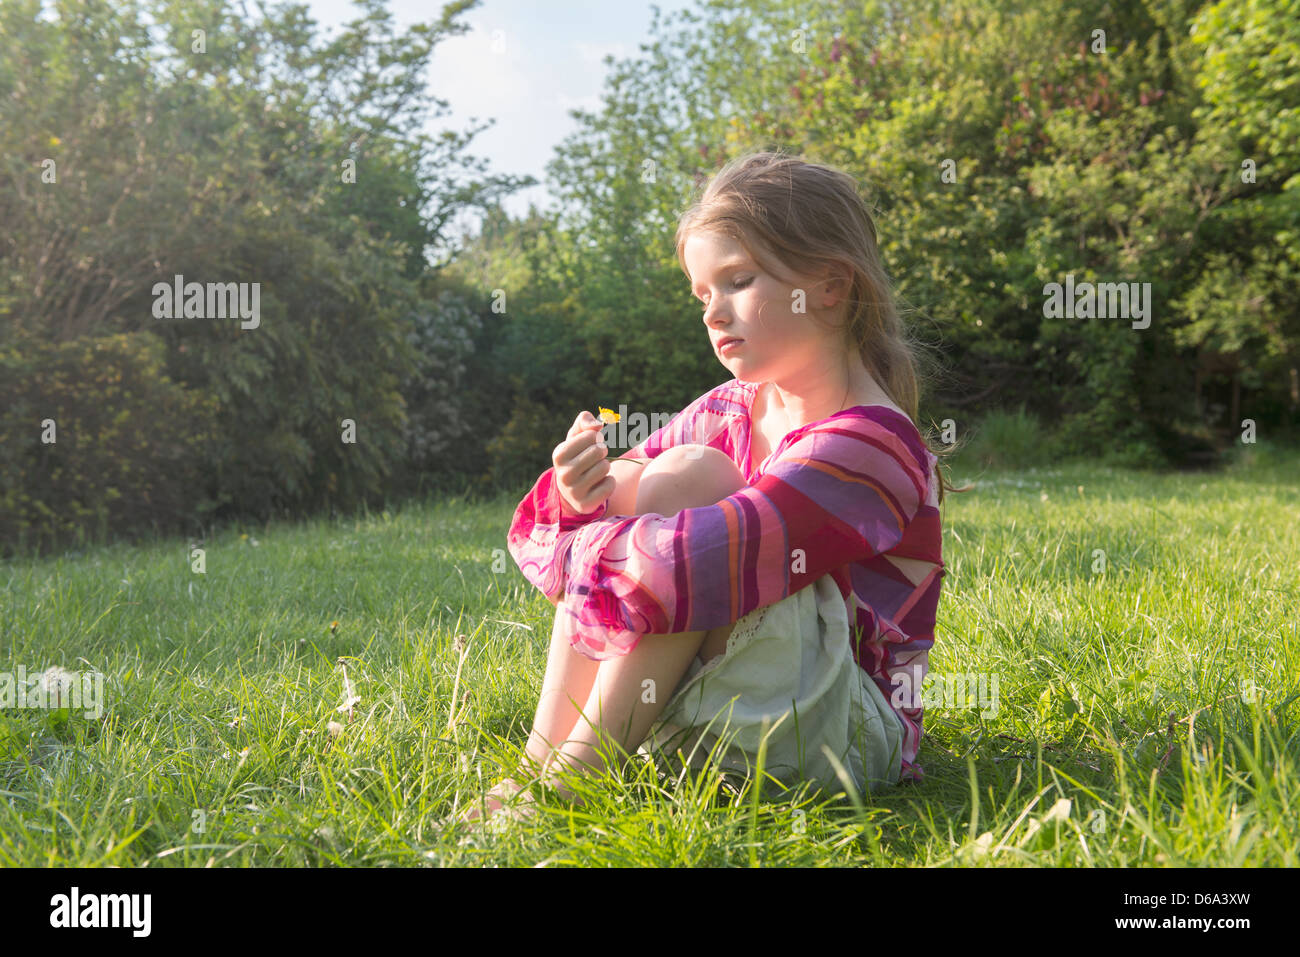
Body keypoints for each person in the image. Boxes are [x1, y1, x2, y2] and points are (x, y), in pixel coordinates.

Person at [457, 150, 965, 830]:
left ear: (831, 284)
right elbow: (590, 518)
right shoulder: (730, 408)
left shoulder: (872, 442)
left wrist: (608, 522)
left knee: (690, 485)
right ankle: (540, 765)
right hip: (726, 708)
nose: (713, 311)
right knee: (670, 484)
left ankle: (572, 779)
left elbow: (718, 554)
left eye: (737, 280)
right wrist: (588, 493)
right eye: (701, 293)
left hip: (840, 734)